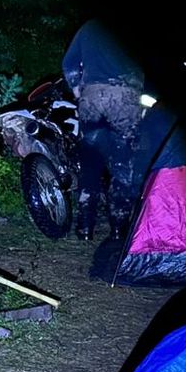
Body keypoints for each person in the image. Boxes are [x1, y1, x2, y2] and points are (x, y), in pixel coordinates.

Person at [62, 18, 146, 241]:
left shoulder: (90, 27)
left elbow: (69, 64)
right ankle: (118, 228)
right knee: (123, 164)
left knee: (90, 161)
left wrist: (78, 91)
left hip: (92, 98)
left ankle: (85, 227)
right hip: (125, 99)